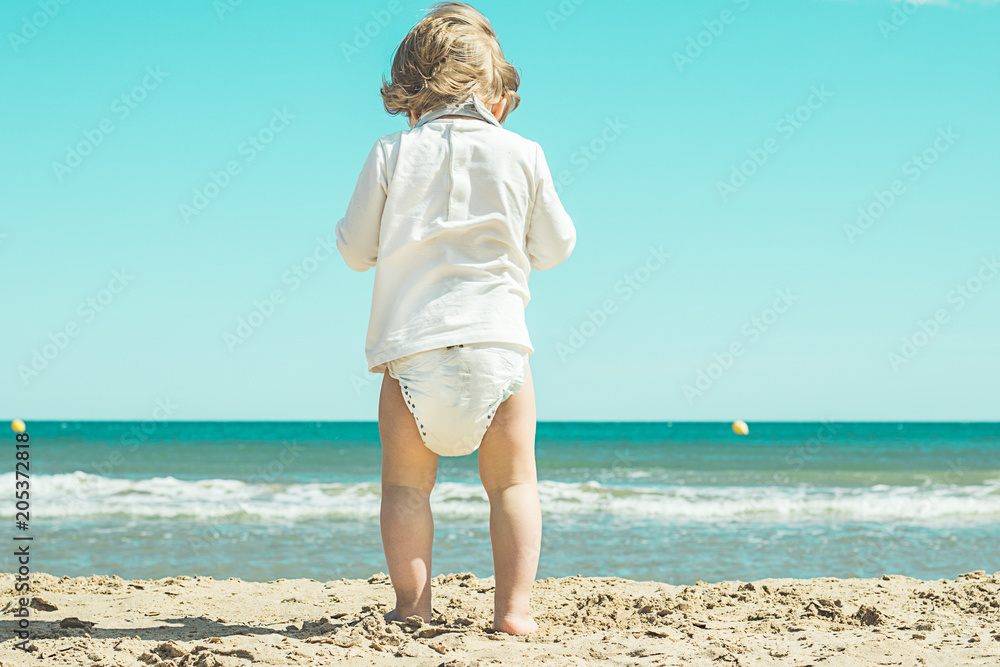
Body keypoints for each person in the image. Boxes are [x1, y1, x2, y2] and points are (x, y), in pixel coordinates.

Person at [334, 1, 575, 636]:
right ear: (497, 98)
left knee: (406, 490)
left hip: (413, 350)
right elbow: (555, 249)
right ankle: (514, 612)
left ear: (411, 94)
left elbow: (357, 251)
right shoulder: (524, 154)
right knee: (514, 486)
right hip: (498, 349)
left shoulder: (391, 153)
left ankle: (413, 609)